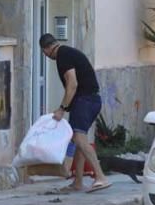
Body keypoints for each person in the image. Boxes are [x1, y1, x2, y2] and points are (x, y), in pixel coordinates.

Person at [39, 33, 111, 193]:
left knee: (79, 138)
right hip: (92, 100)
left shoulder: (62, 56)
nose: (46, 55)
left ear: (46, 49)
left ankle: (100, 177)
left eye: (44, 52)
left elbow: (72, 83)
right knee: (79, 140)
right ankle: (78, 182)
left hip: (84, 101)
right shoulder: (68, 52)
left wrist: (61, 109)